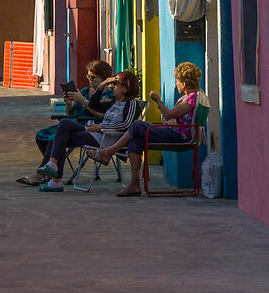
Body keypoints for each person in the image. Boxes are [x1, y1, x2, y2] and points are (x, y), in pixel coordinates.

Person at [96, 62, 202, 197]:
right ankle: (134, 185)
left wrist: (158, 100)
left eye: (177, 81)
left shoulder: (191, 98)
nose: (176, 84)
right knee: (135, 141)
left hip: (179, 136)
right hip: (175, 132)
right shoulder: (190, 98)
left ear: (184, 84)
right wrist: (173, 119)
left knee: (137, 125)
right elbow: (175, 117)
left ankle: (108, 152)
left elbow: (168, 114)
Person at [25, 71, 140, 189]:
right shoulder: (116, 103)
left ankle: (55, 178)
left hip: (107, 139)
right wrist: (102, 85)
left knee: (60, 134)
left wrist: (100, 127)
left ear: (125, 88)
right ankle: (53, 168)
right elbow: (93, 105)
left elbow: (126, 126)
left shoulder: (132, 104)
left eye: (115, 84)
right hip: (96, 132)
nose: (112, 86)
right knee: (62, 127)